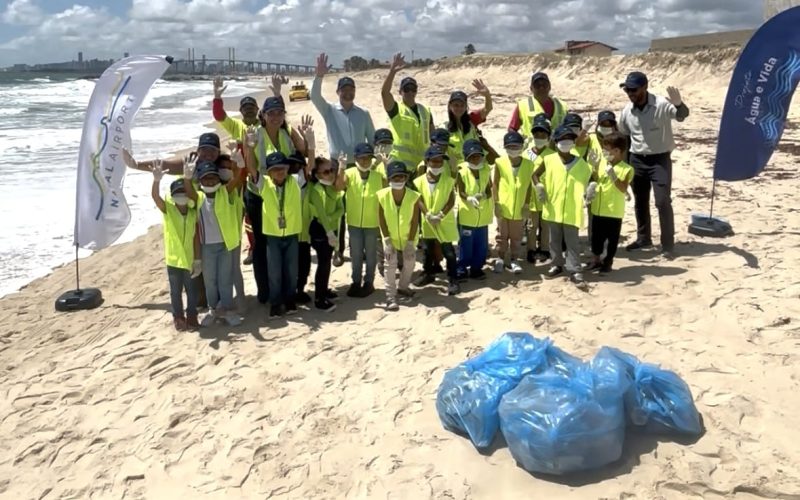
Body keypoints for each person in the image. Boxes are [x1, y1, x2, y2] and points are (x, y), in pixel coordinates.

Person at [313, 53, 377, 268]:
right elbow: (314, 96)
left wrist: (375, 162)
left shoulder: (363, 113)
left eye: (351, 90)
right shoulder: (330, 110)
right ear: (338, 92)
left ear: (354, 92)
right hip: (334, 168)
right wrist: (319, 76)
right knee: (337, 212)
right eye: (344, 90)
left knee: (360, 207)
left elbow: (372, 140)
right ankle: (338, 251)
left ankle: (363, 249)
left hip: (359, 166)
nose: (348, 93)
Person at [617, 71, 689, 260]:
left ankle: (667, 245)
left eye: (633, 89)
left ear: (644, 87)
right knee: (640, 202)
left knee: (662, 201)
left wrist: (679, 104)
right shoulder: (626, 111)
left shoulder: (661, 105)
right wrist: (624, 165)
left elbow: (682, 115)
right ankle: (644, 239)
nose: (630, 93)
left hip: (659, 160)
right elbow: (623, 137)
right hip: (636, 159)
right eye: (627, 89)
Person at [183, 159, 246, 326]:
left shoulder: (224, 193)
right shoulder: (199, 197)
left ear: (219, 179)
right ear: (201, 180)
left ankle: (227, 310)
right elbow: (189, 191)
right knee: (210, 281)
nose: (210, 181)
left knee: (225, 279)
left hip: (225, 245)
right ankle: (213, 310)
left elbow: (237, 180)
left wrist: (238, 165)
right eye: (206, 178)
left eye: (213, 178)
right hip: (207, 247)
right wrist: (187, 177)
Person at [244, 145, 303, 319]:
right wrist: (251, 148)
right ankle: (276, 303)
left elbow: (309, 166)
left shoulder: (294, 181)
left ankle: (290, 300)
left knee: (292, 271)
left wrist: (311, 145)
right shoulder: (264, 184)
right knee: (274, 272)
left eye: (282, 168)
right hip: (272, 237)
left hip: (292, 234)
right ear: (269, 172)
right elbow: (252, 168)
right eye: (275, 169)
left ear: (287, 169)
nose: (279, 172)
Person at [533, 125, 593, 287]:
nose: (565, 143)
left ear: (573, 143)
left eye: (569, 140)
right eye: (562, 140)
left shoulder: (581, 164)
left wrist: (590, 189)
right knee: (554, 240)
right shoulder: (549, 159)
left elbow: (592, 178)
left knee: (572, 241)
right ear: (556, 142)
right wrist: (539, 187)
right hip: (553, 206)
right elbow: (535, 175)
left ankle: (575, 270)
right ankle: (556, 264)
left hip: (572, 209)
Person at [151, 164, 201, 331]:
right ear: (172, 196)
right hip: (173, 259)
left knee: (192, 291)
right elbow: (156, 197)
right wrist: (156, 180)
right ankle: (178, 317)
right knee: (175, 292)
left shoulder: (194, 213)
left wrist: (198, 259)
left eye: (184, 193)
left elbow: (195, 238)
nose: (181, 196)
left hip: (189, 259)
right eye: (177, 194)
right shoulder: (169, 210)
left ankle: (192, 316)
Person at [335, 143, 386, 298]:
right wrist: (341, 167)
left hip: (372, 223)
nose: (365, 161)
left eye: (368, 158)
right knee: (356, 255)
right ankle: (356, 282)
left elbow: (389, 190)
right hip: (354, 222)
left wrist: (385, 165)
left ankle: (369, 282)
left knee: (371, 255)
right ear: (356, 158)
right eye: (361, 158)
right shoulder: (349, 173)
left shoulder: (378, 176)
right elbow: (338, 187)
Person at [413, 146, 460, 295]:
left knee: (449, 251)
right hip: (427, 221)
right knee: (427, 249)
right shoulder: (418, 181)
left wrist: (440, 215)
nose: (437, 165)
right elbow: (418, 198)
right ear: (427, 162)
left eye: (440, 162)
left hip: (444, 221)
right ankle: (428, 273)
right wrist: (427, 214)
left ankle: (453, 278)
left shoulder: (448, 180)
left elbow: (451, 201)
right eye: (434, 162)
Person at [588, 132, 635, 273]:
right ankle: (595, 260)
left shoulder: (627, 169)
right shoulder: (603, 164)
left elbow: (623, 188)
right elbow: (596, 179)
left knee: (612, 240)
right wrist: (594, 167)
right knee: (596, 238)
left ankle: (607, 263)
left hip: (614, 211)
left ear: (617, 151)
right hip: (598, 208)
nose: (604, 153)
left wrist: (613, 175)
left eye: (606, 150)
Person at [378, 161, 422, 311]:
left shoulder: (414, 196)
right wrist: (386, 239)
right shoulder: (381, 195)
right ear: (389, 179)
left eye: (401, 177)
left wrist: (410, 242)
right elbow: (381, 218)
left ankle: (403, 287)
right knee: (390, 266)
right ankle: (390, 296)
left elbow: (415, 220)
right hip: (390, 237)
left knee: (410, 263)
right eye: (395, 178)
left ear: (406, 178)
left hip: (408, 236)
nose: (398, 180)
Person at [382, 53, 434, 170]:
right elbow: (385, 93)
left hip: (422, 166)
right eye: (406, 89)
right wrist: (392, 72)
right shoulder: (395, 110)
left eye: (413, 89)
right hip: (400, 167)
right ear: (400, 91)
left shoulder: (425, 111)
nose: (410, 92)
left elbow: (432, 136)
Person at [493, 131, 534, 274]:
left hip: (519, 207)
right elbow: (496, 183)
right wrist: (496, 203)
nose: (513, 149)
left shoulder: (529, 164)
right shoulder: (500, 162)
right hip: (503, 206)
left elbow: (529, 186)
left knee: (516, 236)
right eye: (510, 146)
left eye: (516, 146)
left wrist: (527, 205)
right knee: (502, 235)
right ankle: (500, 258)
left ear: (522, 147)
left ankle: (515, 260)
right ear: (505, 147)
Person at [308, 156, 344, 312]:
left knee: (327, 261)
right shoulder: (316, 191)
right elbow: (321, 216)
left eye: (332, 171)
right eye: (326, 172)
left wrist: (331, 218)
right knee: (323, 263)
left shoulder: (331, 188)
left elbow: (341, 209)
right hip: (320, 230)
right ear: (317, 175)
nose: (331, 174)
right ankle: (319, 298)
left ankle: (324, 290)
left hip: (331, 228)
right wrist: (330, 232)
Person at [456, 139, 493, 281]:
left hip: (483, 214)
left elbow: (489, 189)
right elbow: (461, 192)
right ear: (467, 157)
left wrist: (484, 195)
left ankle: (477, 268)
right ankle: (461, 268)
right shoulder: (462, 171)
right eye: (472, 156)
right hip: (467, 214)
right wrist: (469, 198)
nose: (476, 159)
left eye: (478, 156)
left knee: (481, 244)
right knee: (466, 244)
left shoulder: (485, 169)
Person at [526, 116, 555, 263]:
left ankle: (544, 249)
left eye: (543, 135)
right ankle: (531, 250)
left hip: (547, 196)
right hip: (531, 196)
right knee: (531, 225)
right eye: (536, 135)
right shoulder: (527, 153)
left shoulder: (552, 155)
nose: (539, 137)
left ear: (548, 137)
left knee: (546, 225)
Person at [444, 81, 493, 165]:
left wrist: (487, 95)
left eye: (462, 105)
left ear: (466, 106)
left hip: (477, 166)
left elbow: (488, 108)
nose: (459, 108)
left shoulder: (472, 120)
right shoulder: (445, 128)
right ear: (450, 106)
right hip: (458, 170)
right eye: (456, 105)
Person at [509, 72, 569, 137]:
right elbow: (512, 128)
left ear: (549, 87)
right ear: (531, 88)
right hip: (531, 146)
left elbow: (569, 128)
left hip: (556, 146)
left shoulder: (562, 106)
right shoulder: (523, 105)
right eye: (537, 85)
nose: (541, 88)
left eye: (544, 85)